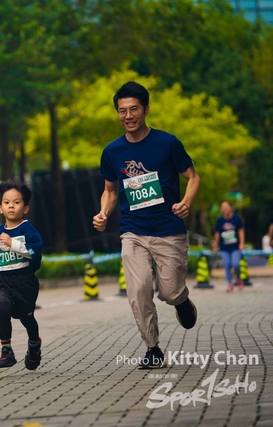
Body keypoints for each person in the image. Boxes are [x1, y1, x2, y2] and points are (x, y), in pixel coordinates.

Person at [93, 81, 201, 370]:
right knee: (139, 289)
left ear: (146, 110)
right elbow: (111, 190)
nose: (128, 116)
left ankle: (181, 302)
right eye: (122, 111)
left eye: (134, 110)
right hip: (133, 230)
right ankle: (153, 348)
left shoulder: (168, 143)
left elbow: (193, 177)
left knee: (169, 292)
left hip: (169, 229)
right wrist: (103, 213)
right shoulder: (112, 151)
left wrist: (186, 203)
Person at [0, 178, 43, 370]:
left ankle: (34, 344)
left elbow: (34, 252)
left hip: (25, 283)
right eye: (7, 202)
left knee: (27, 318)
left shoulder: (28, 230)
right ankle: (6, 350)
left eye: (16, 202)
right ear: (0, 208)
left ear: (25, 208)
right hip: (3, 280)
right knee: (3, 310)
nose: (11, 206)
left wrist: (13, 243)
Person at [213, 200, 245, 292]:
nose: (225, 209)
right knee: (227, 264)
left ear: (230, 207)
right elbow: (217, 234)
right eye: (223, 207)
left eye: (226, 207)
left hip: (235, 246)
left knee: (235, 264)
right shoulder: (219, 220)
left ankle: (238, 279)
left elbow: (240, 231)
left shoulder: (236, 218)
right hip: (224, 247)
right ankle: (230, 284)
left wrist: (241, 243)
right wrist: (216, 247)